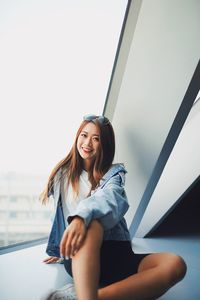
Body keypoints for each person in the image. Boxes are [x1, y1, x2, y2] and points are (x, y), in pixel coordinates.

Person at [40, 114, 187, 300]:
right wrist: (60, 247)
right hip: (80, 258)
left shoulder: (113, 175)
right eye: (84, 135)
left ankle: (83, 297)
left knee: (175, 264)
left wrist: (81, 217)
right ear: (77, 137)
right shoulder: (62, 175)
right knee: (92, 224)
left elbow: (110, 198)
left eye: (96, 138)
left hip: (117, 254)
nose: (87, 143)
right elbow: (59, 216)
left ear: (105, 144)